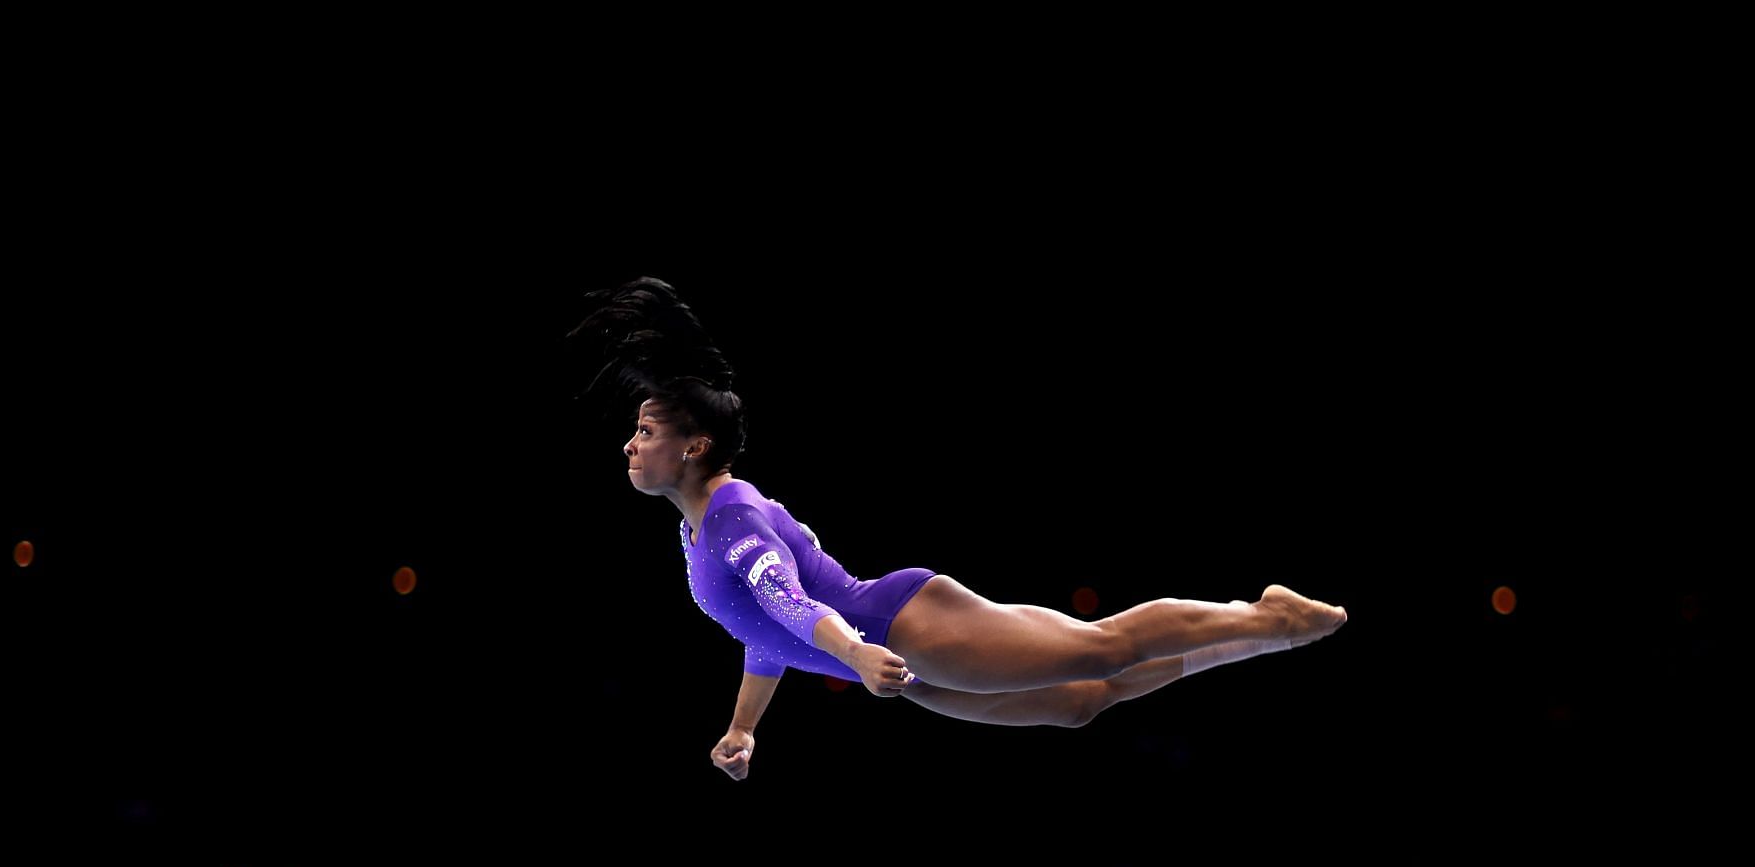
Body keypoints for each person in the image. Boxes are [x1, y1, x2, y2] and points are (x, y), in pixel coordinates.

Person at [568, 278, 1347, 782]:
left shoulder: (733, 513)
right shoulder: (697, 532)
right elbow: (767, 629)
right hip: (893, 659)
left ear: (694, 446)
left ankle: (1270, 617)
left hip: (902, 628)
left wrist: (854, 653)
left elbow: (792, 600)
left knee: (1103, 646)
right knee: (1080, 702)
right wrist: (742, 728)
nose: (631, 444)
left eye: (644, 429)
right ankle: (1258, 637)